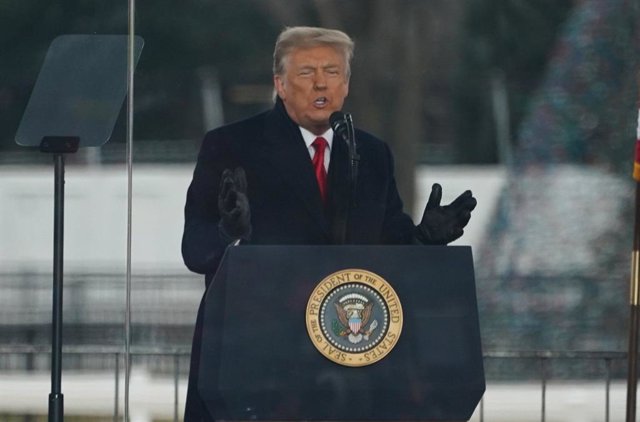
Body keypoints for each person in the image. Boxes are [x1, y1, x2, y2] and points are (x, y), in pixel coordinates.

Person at [181, 26, 477, 422]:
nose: (321, 82)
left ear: (347, 84)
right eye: (306, 73)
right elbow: (194, 248)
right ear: (280, 84)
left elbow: (389, 249)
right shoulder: (231, 146)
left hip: (353, 363)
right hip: (257, 363)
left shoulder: (370, 154)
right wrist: (228, 233)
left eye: (332, 71)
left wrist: (423, 242)